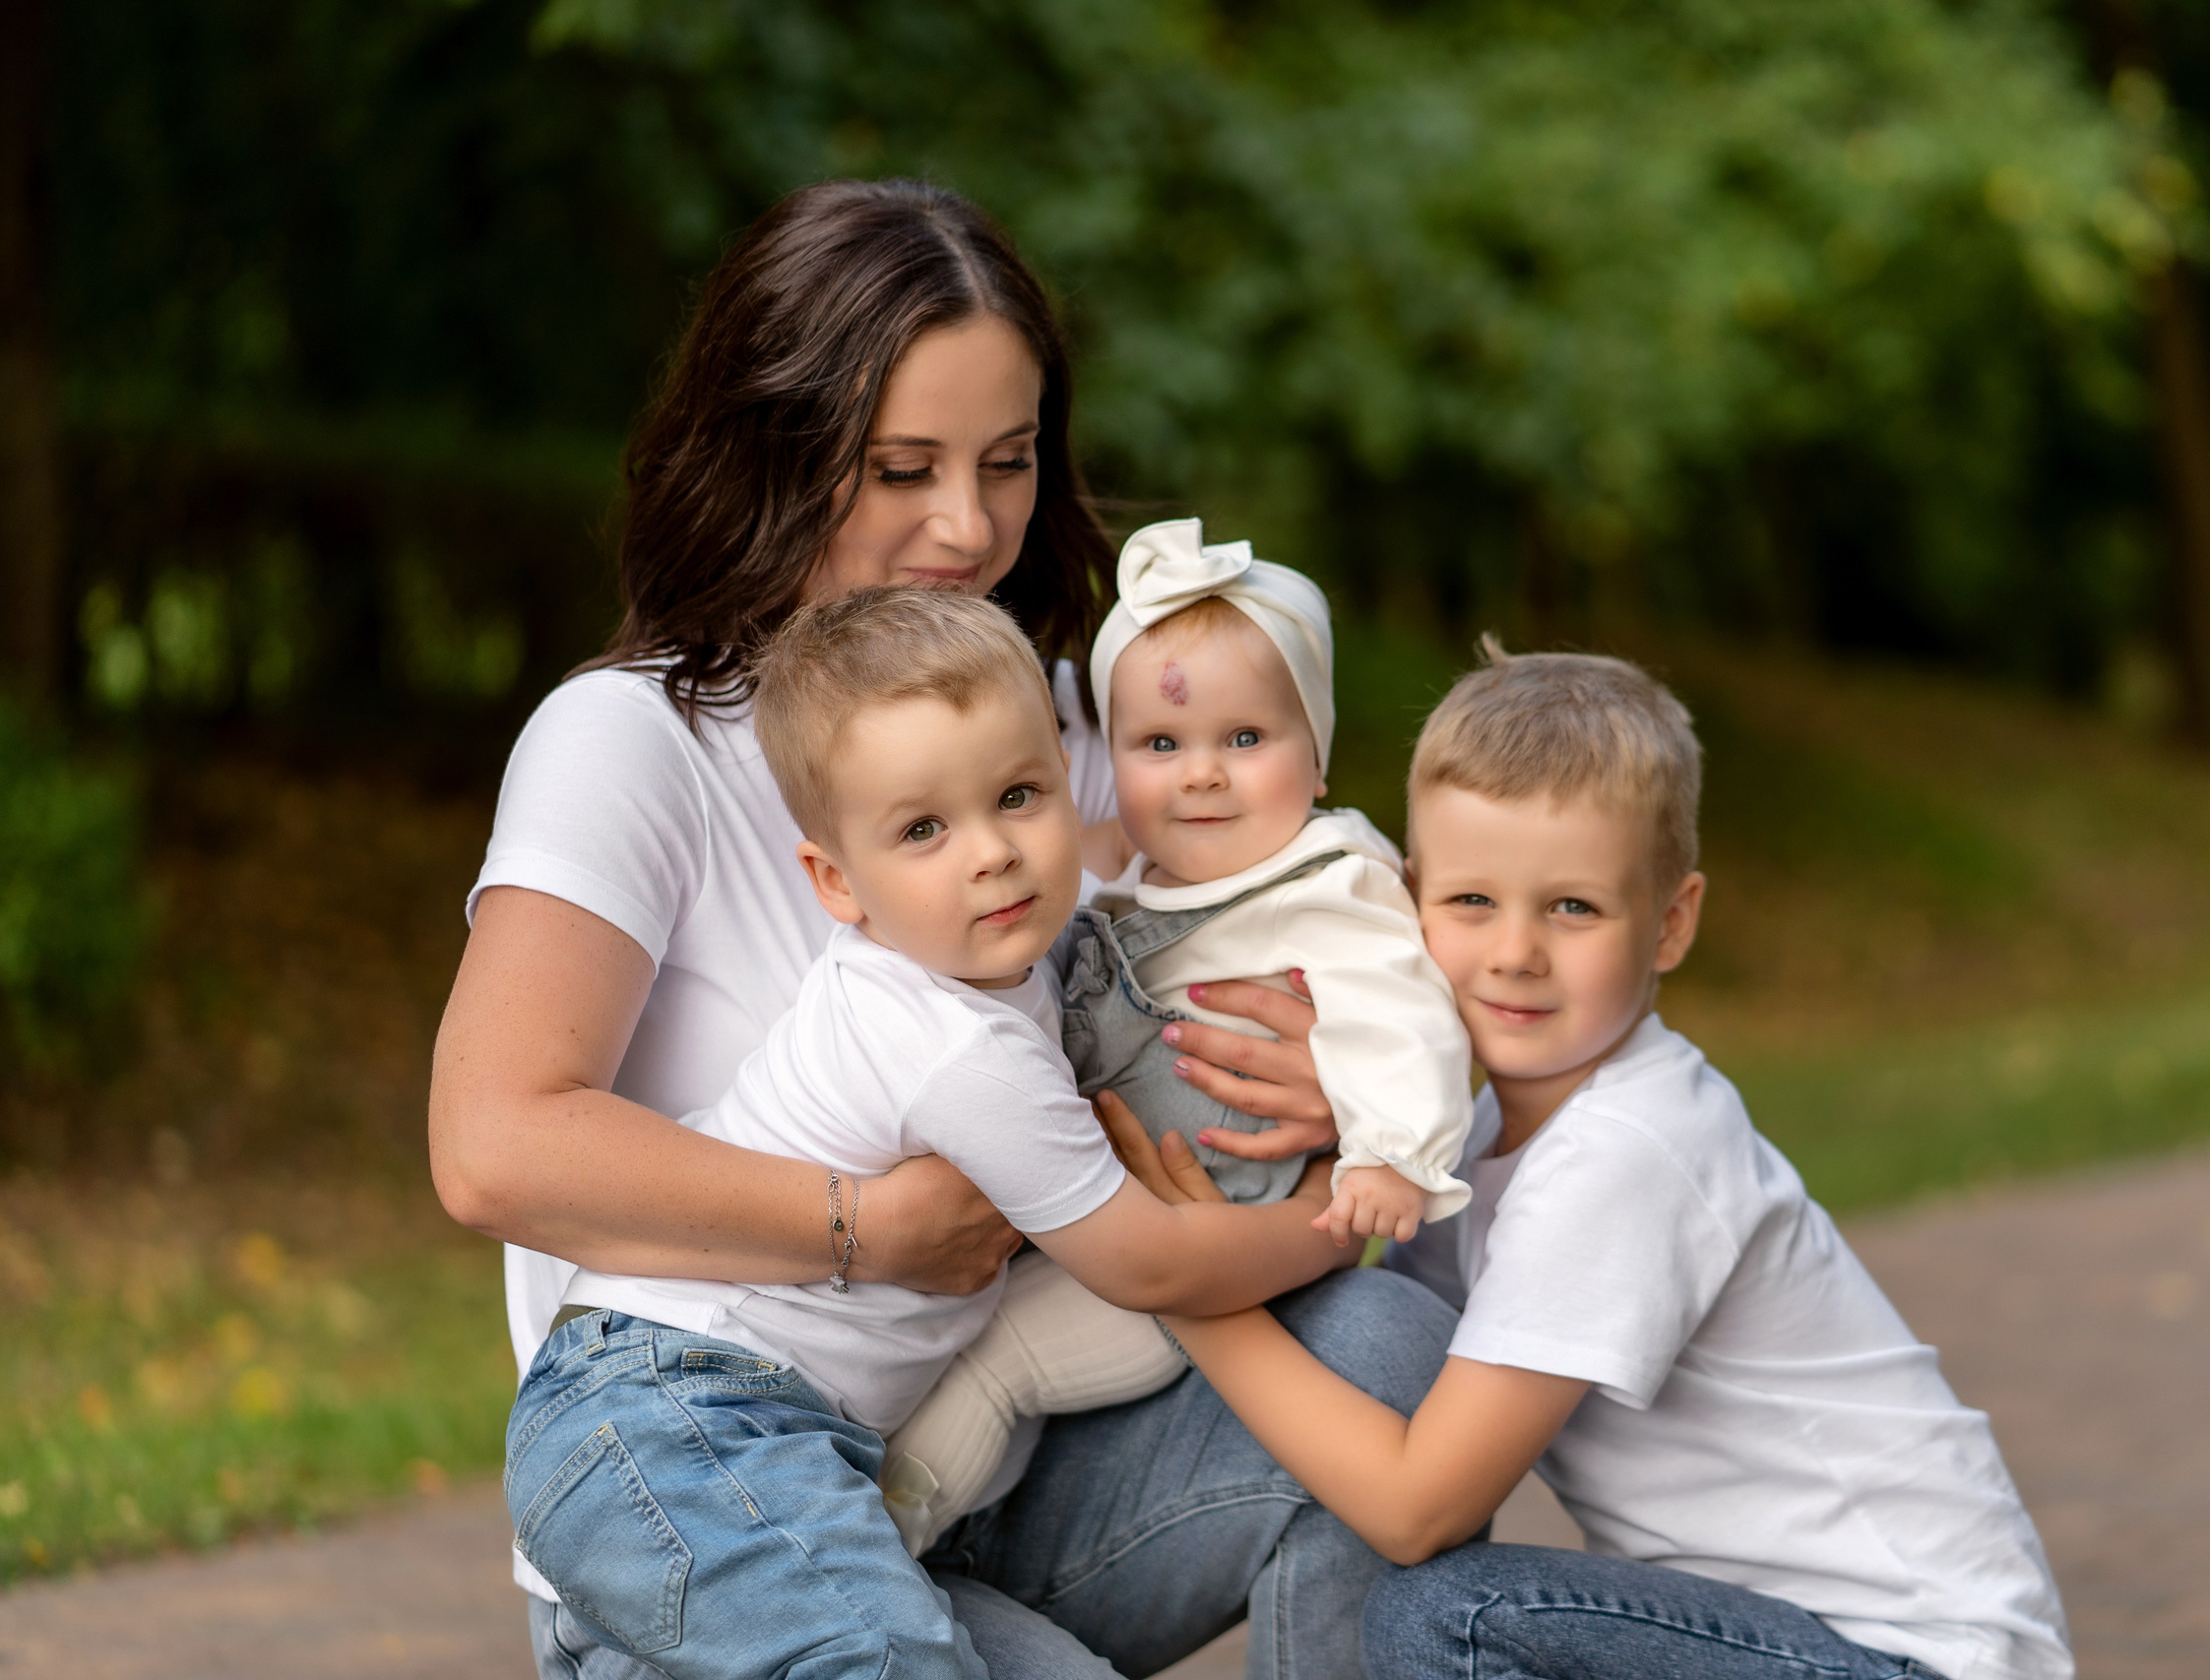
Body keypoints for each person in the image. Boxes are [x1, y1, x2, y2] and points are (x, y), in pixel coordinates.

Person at [429, 178, 1454, 1680]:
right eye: (902, 466)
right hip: (727, 1483)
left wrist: (1355, 1078)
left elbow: (1377, 942)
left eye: (1009, 460)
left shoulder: (1044, 731)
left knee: (1394, 1341)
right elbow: (492, 1146)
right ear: (778, 441)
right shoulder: (631, 739)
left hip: (1000, 1456)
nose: (968, 524)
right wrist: (865, 1229)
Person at [1100, 643, 2075, 1680]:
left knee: (1451, 1616)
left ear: (1670, 923)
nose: (1515, 952)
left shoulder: (1625, 1149)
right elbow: (1377, 1341)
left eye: (1572, 908)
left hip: (1912, 1657)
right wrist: (1349, 1122)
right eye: (1472, 903)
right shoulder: (1482, 1130)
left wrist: (1184, 1285)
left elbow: (1418, 1506)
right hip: (1782, 1642)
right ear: (1406, 901)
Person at [510, 590, 1368, 1678]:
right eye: (923, 829)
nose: (992, 854)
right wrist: (1325, 1219)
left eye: (1017, 796)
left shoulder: (1003, 967)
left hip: (713, 1440)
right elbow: (1146, 1259)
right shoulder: (957, 1046)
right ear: (836, 883)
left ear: (1069, 783)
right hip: (675, 1415)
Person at [880, 519, 1472, 1554]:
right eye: (1162, 744)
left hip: (1197, 1256)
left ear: (1318, 758)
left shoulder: (1332, 888)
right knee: (955, 1353)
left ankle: (871, 1547)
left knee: (999, 1368)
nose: (1202, 775)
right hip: (1093, 1218)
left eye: (1244, 740)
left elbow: (1406, 1020)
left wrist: (1389, 1155)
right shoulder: (1121, 891)